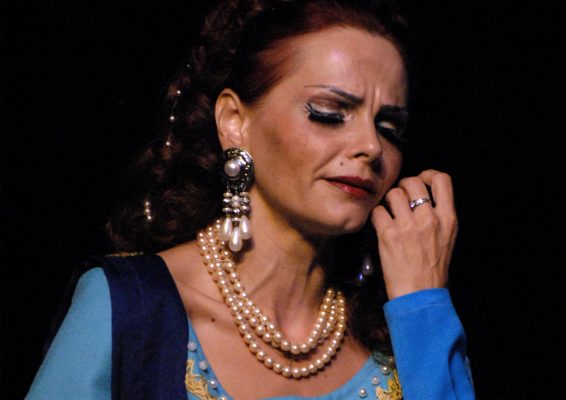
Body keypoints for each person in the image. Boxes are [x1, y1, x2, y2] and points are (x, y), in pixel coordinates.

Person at [27, 1, 475, 399]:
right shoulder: (132, 307)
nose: (371, 147)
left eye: (389, 128)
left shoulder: (399, 335)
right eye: (329, 113)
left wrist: (423, 306)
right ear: (234, 122)